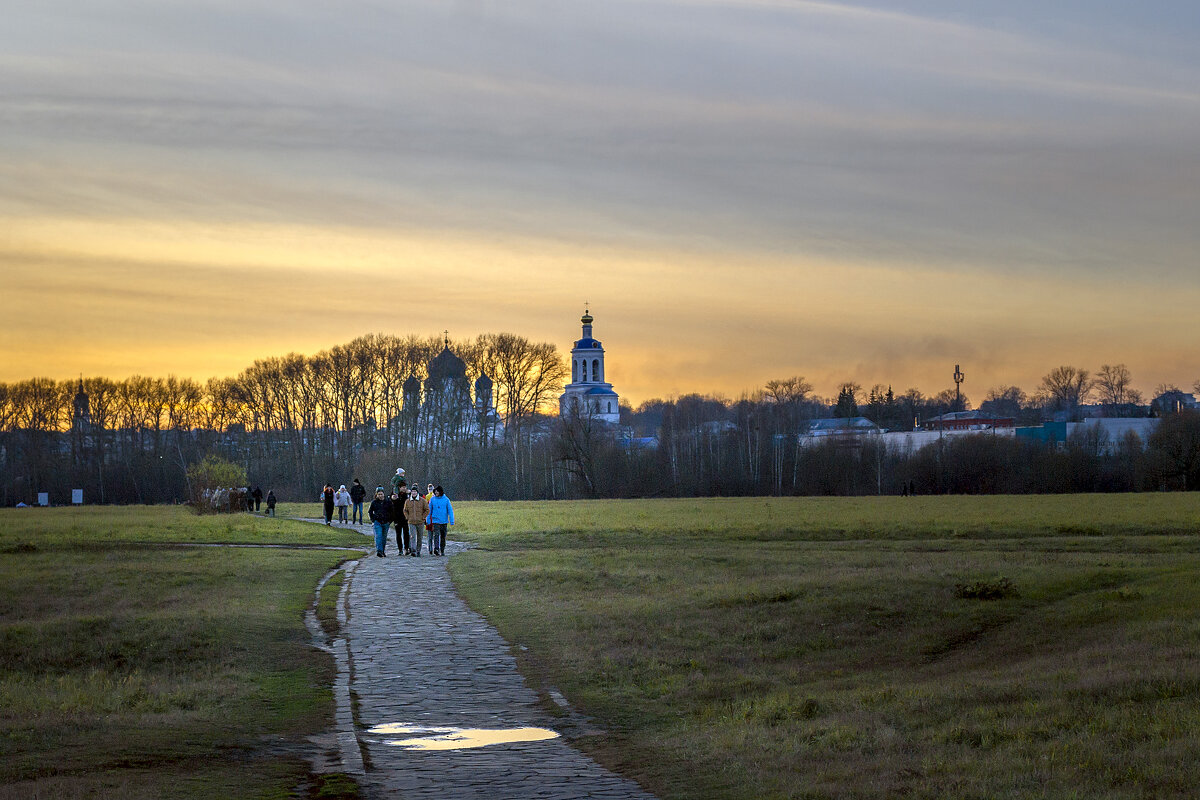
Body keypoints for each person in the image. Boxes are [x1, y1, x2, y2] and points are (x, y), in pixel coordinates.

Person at [425, 485, 454, 556]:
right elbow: (429, 510)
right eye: (435, 492)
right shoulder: (432, 499)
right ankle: (436, 549)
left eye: (437, 491)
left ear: (441, 492)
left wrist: (452, 520)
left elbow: (450, 510)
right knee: (436, 535)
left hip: (444, 521)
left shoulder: (446, 499)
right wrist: (428, 519)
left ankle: (442, 549)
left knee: (443, 536)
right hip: (435, 521)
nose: (436, 493)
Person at [403, 486, 429, 557]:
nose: (413, 493)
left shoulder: (422, 500)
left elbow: (427, 509)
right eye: (412, 492)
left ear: (417, 492)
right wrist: (407, 517)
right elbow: (405, 510)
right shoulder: (408, 501)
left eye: (415, 491)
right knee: (412, 536)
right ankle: (413, 550)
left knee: (420, 537)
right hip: (411, 522)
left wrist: (423, 517)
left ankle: (418, 550)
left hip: (420, 522)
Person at [367, 487, 393, 557]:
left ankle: (382, 550)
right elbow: (370, 512)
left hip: (386, 522)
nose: (380, 496)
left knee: (384, 538)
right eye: (379, 494)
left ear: (384, 494)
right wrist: (373, 520)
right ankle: (379, 550)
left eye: (381, 494)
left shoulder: (388, 502)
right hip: (377, 522)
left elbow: (392, 512)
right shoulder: (374, 502)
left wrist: (390, 521)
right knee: (378, 536)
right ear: (376, 495)